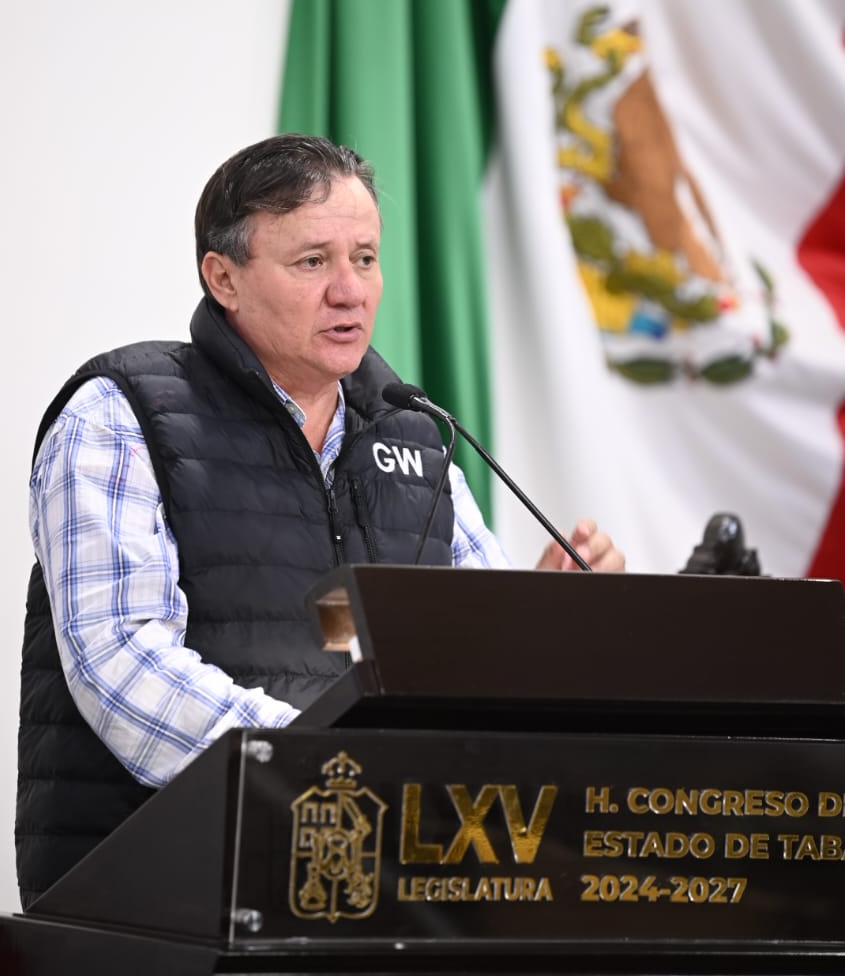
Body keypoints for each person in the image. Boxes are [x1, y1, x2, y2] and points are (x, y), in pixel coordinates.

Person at [17, 133, 625, 908]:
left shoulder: (414, 434)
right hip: (155, 893)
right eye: (313, 262)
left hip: (377, 887)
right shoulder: (123, 413)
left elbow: (465, 669)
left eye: (365, 259)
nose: (350, 291)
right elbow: (123, 663)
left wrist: (541, 618)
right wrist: (330, 767)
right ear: (223, 278)